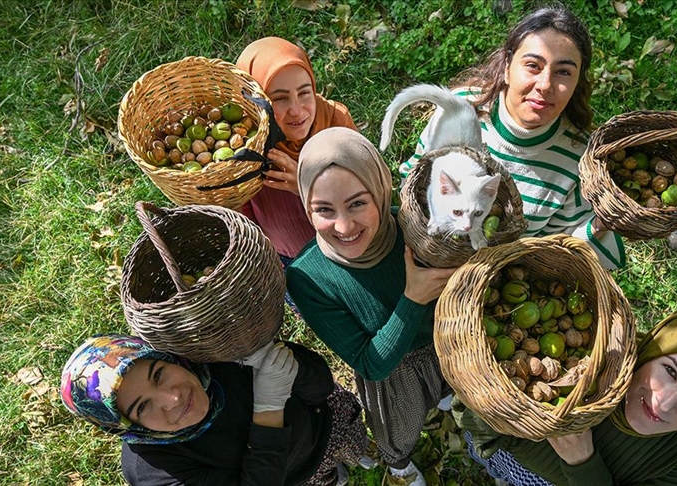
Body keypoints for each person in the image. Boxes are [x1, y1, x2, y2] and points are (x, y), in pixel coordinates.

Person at [285, 127, 457, 486]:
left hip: (446, 347)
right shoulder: (308, 277)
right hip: (396, 377)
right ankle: (400, 468)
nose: (344, 226)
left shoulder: (414, 228)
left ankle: (444, 400)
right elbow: (370, 363)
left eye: (358, 203)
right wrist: (413, 298)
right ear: (305, 206)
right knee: (400, 430)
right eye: (324, 210)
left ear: (380, 191)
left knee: (448, 391)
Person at [398, 4, 625, 270]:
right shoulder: (462, 109)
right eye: (532, 65)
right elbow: (415, 177)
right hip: (429, 256)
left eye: (563, 72)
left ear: (577, 83)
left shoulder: (577, 158)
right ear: (507, 66)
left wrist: (602, 223)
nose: (544, 85)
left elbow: (559, 245)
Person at [455, 302, 677, 485]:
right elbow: (475, 419)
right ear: (651, 351)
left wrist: (582, 461)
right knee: (495, 467)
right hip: (503, 451)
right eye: (670, 371)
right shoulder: (597, 357)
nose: (665, 403)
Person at [60, 334, 369, 486]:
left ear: (169, 358)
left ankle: (358, 456)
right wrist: (269, 410)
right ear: (128, 425)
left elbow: (320, 386)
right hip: (291, 479)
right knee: (324, 479)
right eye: (143, 406)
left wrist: (278, 360)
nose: (173, 399)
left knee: (357, 447)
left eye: (159, 374)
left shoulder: (215, 355)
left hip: (325, 426)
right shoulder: (153, 471)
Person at [236, 37, 358, 264]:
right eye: (280, 98)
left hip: (350, 244)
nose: (296, 110)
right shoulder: (250, 143)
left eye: (304, 92)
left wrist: (304, 187)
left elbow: (367, 188)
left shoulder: (335, 123)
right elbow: (243, 206)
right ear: (255, 101)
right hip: (291, 256)